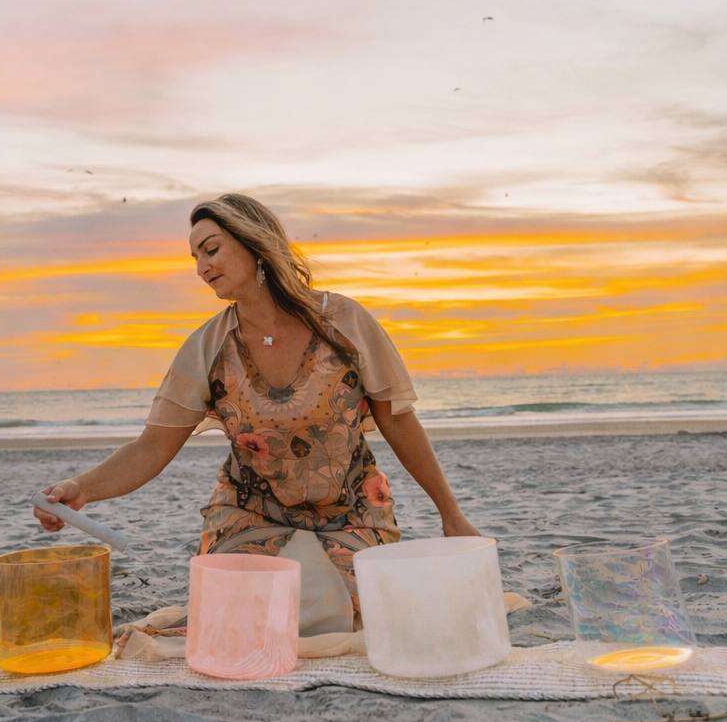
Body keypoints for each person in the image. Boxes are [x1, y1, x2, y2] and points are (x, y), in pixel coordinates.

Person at [35, 193, 479, 633]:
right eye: (194, 257)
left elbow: (397, 421)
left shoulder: (344, 321)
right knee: (242, 621)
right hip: (249, 510)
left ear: (255, 244)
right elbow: (152, 446)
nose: (201, 267)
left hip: (351, 509)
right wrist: (82, 488)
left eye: (211, 249)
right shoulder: (207, 347)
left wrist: (450, 513)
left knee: (347, 619)